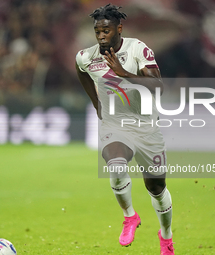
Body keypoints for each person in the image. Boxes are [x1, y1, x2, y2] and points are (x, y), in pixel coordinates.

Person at [75, 4, 174, 254]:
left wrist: (123, 72)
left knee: (156, 188)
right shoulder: (87, 57)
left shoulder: (138, 48)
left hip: (145, 127)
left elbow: (158, 87)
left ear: (119, 28)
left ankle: (166, 236)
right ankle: (130, 216)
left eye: (106, 30)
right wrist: (97, 104)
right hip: (114, 125)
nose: (101, 36)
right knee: (116, 165)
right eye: (97, 32)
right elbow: (81, 70)